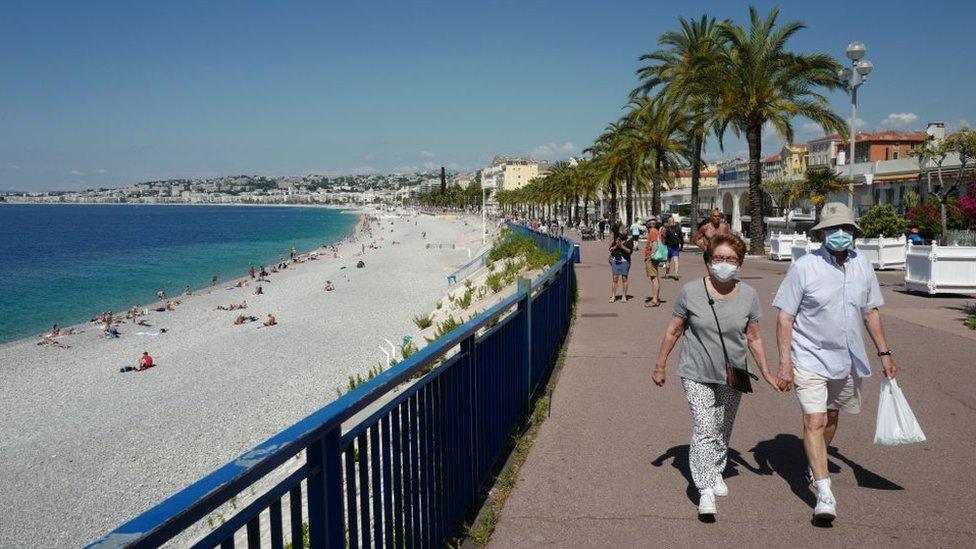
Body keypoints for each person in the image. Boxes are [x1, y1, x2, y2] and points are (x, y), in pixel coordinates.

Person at [772, 202, 898, 523]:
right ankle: (825, 493)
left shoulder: (863, 266)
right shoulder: (804, 267)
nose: (839, 233)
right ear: (822, 233)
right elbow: (785, 318)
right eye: (832, 229)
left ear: (853, 232)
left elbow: (871, 312)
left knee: (830, 417)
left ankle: (817, 462)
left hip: (846, 358)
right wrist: (785, 363)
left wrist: (884, 353)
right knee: (813, 421)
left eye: (845, 228)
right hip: (809, 356)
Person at [652, 233, 779, 518]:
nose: (724, 263)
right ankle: (705, 488)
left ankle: (717, 468)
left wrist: (767, 371)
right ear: (709, 261)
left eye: (730, 259)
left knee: (723, 426)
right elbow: (674, 330)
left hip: (734, 372)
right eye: (718, 258)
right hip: (695, 371)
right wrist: (660, 364)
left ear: (740, 263)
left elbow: (754, 338)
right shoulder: (690, 291)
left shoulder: (749, 295)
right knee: (705, 426)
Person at [608, 230, 634, 303]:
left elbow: (629, 251)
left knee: (624, 278)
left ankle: (624, 296)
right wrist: (616, 246)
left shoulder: (629, 240)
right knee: (615, 278)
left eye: (623, 233)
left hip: (625, 262)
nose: (621, 235)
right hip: (616, 261)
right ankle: (613, 296)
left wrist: (622, 246)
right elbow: (610, 249)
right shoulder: (617, 239)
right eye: (620, 233)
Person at [643, 219, 663, 307]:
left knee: (654, 278)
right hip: (654, 257)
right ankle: (656, 298)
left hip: (652, 258)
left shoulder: (652, 232)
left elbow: (654, 244)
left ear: (649, 224)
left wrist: (651, 256)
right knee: (655, 278)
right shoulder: (656, 231)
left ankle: (655, 300)